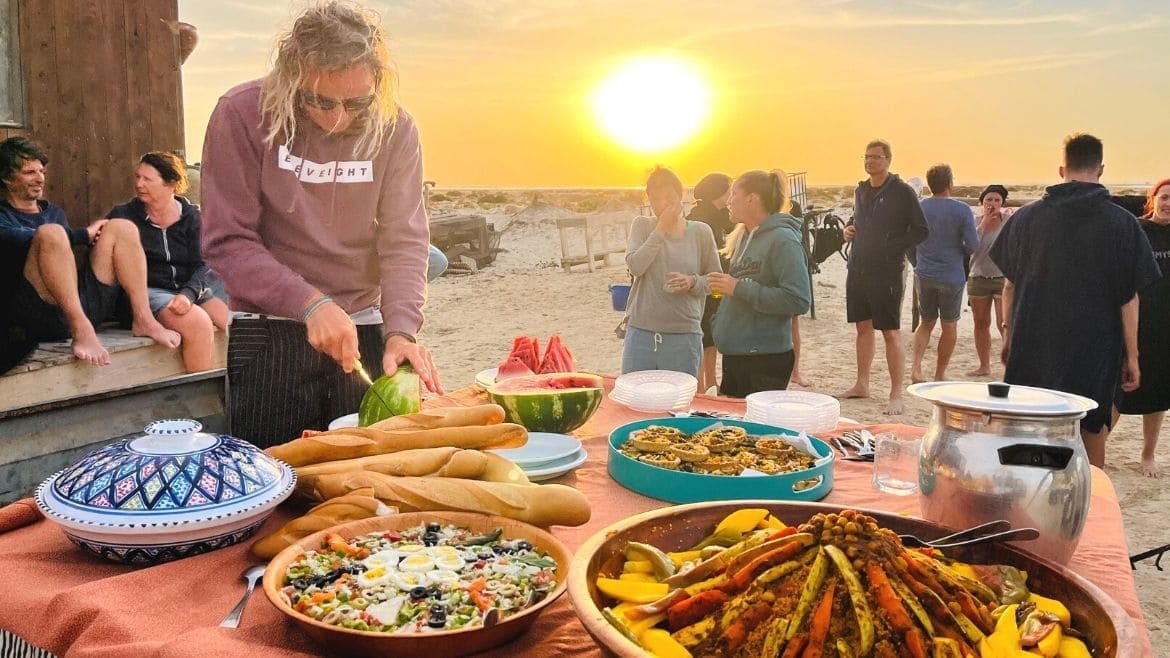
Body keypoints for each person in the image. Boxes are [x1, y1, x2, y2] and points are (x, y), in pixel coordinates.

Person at [200, 1, 442, 446]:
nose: (337, 119)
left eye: (356, 103)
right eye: (319, 100)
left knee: (372, 479)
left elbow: (404, 240)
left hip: (366, 325)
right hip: (269, 328)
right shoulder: (241, 113)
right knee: (276, 480)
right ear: (291, 76)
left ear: (377, 84)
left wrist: (402, 331)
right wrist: (310, 303)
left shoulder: (396, 128)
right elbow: (228, 241)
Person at [992, 133, 1160, 468]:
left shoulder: (1025, 218)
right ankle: (1090, 509)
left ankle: (1025, 509)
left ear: (1061, 169)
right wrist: (1133, 356)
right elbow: (1129, 298)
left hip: (1033, 342)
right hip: (1095, 347)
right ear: (1101, 169)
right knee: (1091, 427)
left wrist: (1009, 334)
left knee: (1027, 427)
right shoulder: (1122, 224)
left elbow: (1008, 287)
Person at [0, 137, 180, 371]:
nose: (39, 178)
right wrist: (82, 235)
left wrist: (91, 238)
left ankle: (144, 318)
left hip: (78, 306)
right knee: (51, 234)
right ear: (6, 178)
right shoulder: (3, 216)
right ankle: (81, 330)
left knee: (121, 227)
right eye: (29, 172)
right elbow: (18, 238)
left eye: (41, 171)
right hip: (37, 315)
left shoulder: (52, 211)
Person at [105, 152, 230, 374]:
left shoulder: (193, 217)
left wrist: (189, 293)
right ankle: (201, 400)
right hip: (146, 293)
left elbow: (206, 263)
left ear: (171, 184)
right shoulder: (124, 215)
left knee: (233, 322)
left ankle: (242, 391)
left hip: (188, 289)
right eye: (138, 177)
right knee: (198, 323)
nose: (139, 184)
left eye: (147, 179)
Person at [838, 139, 929, 414]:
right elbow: (859, 220)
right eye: (866, 157)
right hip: (858, 267)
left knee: (890, 332)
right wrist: (849, 230)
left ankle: (896, 394)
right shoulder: (861, 190)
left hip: (887, 271)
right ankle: (862, 384)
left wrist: (890, 245)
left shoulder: (902, 191)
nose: (870, 162)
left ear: (888, 160)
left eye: (876, 157)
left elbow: (921, 230)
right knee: (862, 328)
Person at [708, 170, 811, 397]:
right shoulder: (744, 236)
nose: (728, 201)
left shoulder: (783, 239)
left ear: (751, 199)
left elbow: (799, 299)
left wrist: (739, 288)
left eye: (734, 193)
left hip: (764, 360)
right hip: (737, 356)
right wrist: (720, 322)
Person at [622, 166, 721, 377]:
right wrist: (660, 229)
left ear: (681, 195)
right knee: (635, 403)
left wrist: (692, 282)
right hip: (641, 333)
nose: (663, 205)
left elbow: (715, 281)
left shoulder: (700, 232)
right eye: (655, 199)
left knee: (679, 406)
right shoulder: (642, 226)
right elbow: (635, 266)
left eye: (669, 197)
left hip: (683, 335)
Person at [1114, 179, 1170, 477]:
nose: (1169, 203)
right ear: (1153, 200)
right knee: (1119, 387)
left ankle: (1148, 454)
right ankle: (1098, 446)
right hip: (1134, 319)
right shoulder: (1136, 230)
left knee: (1158, 391)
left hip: (1166, 326)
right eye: (1164, 197)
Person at [909, 164, 977, 383]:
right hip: (951, 274)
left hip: (925, 272)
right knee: (949, 324)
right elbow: (972, 245)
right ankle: (939, 373)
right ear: (950, 183)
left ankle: (916, 368)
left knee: (925, 321)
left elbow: (909, 241)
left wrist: (917, 262)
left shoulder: (919, 207)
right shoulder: (962, 210)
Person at [685, 172, 732, 392]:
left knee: (710, 333)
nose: (730, 195)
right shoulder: (702, 218)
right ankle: (702, 385)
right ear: (719, 193)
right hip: (703, 281)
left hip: (715, 281)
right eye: (728, 191)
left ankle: (710, 383)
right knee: (703, 333)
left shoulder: (721, 215)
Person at [965, 184, 1012, 376]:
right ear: (982, 202)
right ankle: (984, 365)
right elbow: (969, 248)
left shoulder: (1008, 221)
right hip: (978, 277)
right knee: (981, 322)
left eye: (996, 200)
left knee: (1004, 322)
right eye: (988, 200)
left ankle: (1010, 365)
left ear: (1002, 203)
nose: (992, 204)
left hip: (1002, 278)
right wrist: (982, 226)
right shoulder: (975, 222)